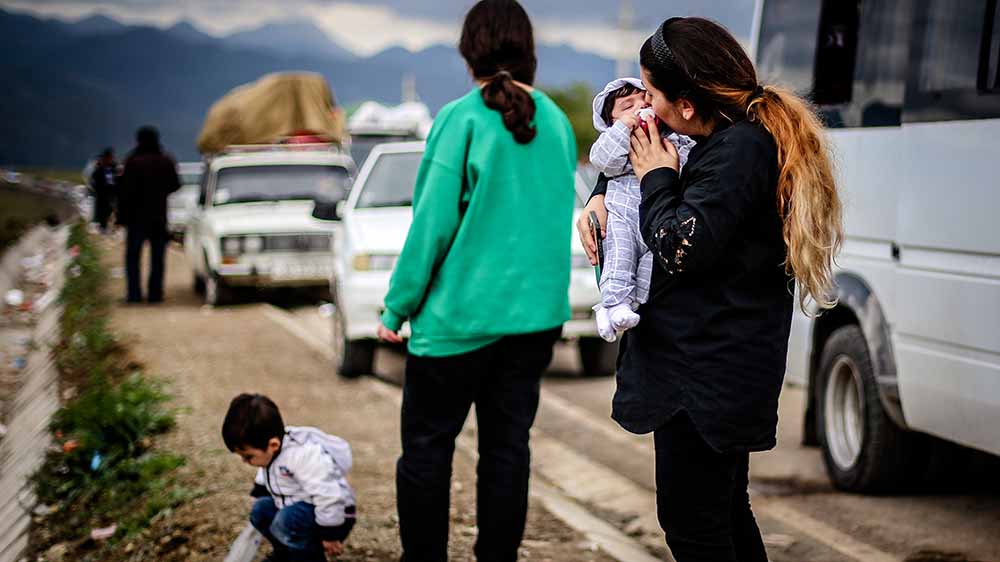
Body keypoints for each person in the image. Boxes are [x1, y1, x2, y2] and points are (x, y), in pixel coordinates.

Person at [577, 17, 842, 562]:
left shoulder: (738, 151)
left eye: (649, 94)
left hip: (705, 377)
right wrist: (603, 193)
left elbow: (681, 246)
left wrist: (655, 180)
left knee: (693, 523)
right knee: (722, 511)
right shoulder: (723, 138)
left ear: (688, 104)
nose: (642, 108)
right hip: (706, 369)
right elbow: (637, 158)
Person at [375, 1, 577, 560]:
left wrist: (396, 309)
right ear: (527, 48)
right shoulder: (557, 122)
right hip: (534, 322)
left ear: (471, 52)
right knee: (508, 451)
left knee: (426, 451)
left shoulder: (460, 119)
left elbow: (431, 229)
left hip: (457, 323)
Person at [588, 78, 693, 342]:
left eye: (644, 100)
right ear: (610, 121)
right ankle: (611, 303)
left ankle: (623, 309)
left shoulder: (670, 136)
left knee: (648, 271)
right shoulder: (614, 142)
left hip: (656, 221)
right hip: (622, 217)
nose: (639, 108)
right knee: (619, 260)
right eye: (627, 106)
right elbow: (602, 161)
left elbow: (690, 158)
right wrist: (623, 129)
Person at [222, 394, 357, 562]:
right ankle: (285, 555)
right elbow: (268, 472)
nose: (245, 462)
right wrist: (260, 489)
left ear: (273, 445)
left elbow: (328, 495)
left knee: (285, 521)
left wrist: (330, 534)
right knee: (261, 511)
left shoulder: (303, 455)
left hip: (335, 516)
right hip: (300, 509)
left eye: (248, 457)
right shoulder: (271, 453)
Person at [117, 126, 180, 303]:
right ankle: (155, 294)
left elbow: (124, 192)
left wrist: (121, 217)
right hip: (159, 217)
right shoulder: (166, 160)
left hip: (136, 219)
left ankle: (134, 294)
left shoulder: (132, 161)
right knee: (158, 258)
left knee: (133, 258)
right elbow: (176, 185)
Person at [89, 147, 118, 232]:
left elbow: (116, 180)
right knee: (103, 219)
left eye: (112, 157)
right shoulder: (99, 168)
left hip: (112, 197)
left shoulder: (113, 167)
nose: (111, 159)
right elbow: (93, 181)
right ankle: (103, 231)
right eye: (109, 157)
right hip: (102, 198)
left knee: (113, 218)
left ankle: (111, 233)